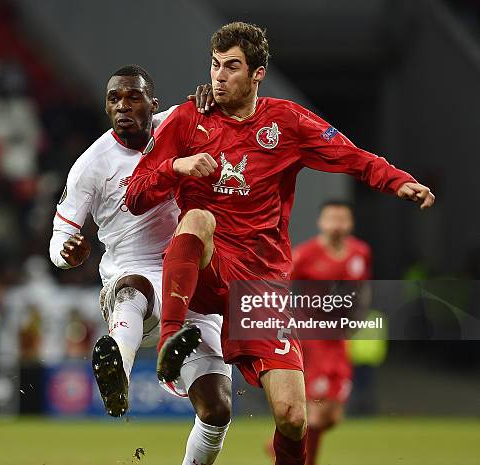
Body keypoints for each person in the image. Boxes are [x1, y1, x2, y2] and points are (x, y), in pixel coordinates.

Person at [125, 22, 435, 465]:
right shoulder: (186, 119)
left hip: (261, 285)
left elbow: (351, 156)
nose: (219, 76)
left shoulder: (285, 122)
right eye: (214, 66)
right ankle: (171, 343)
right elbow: (135, 196)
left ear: (257, 74)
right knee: (197, 217)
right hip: (207, 267)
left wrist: (397, 181)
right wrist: (177, 166)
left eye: (232, 67)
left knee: (293, 417)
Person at [49, 65, 232, 465]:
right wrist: (68, 253)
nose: (122, 106)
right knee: (135, 287)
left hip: (192, 281)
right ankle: (119, 373)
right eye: (114, 98)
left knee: (217, 410)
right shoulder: (90, 165)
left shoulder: (178, 124)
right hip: (134, 284)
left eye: (133, 97)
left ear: (154, 103)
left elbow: (223, 111)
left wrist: (211, 99)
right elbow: (59, 238)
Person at [290, 200, 373, 465]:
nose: (337, 225)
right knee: (315, 412)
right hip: (312, 338)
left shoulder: (360, 252)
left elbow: (363, 290)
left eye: (342, 219)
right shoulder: (304, 255)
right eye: (331, 219)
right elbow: (276, 285)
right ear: (321, 222)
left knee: (333, 416)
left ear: (350, 223)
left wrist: (357, 317)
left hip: (339, 339)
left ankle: (279, 445)